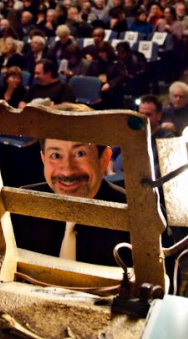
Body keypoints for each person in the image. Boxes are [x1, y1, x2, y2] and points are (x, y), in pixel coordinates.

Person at [11, 103, 128, 266]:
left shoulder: (137, 215)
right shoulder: (21, 206)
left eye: (80, 154)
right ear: (43, 159)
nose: (67, 171)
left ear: (104, 159)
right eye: (56, 155)